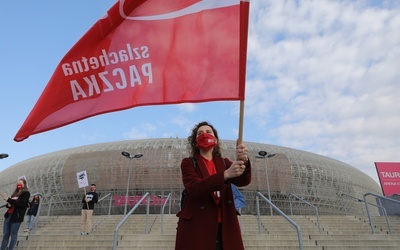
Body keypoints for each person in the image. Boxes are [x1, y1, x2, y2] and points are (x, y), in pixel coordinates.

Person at [175, 121, 251, 250]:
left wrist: (243, 159)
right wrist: (225, 175)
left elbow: (243, 180)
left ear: (215, 139)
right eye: (200, 133)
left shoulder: (224, 162)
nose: (204, 135)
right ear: (194, 141)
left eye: (208, 132)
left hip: (225, 227)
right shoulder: (188, 163)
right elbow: (194, 188)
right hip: (198, 228)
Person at [0, 179, 30, 250]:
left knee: (13, 235)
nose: (18, 184)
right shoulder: (15, 193)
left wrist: (9, 199)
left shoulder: (26, 194)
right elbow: (9, 205)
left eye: (20, 183)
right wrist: (8, 205)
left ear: (24, 184)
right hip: (8, 215)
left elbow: (20, 204)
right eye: (18, 182)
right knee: (5, 235)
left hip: (17, 217)